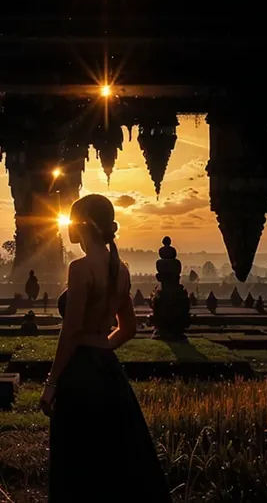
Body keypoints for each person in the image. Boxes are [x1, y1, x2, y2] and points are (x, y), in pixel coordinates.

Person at [40, 194, 172, 503]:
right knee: (115, 462)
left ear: (82, 224)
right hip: (109, 373)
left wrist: (51, 383)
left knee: (78, 464)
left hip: (81, 375)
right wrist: (102, 346)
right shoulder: (121, 269)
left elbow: (70, 332)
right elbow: (129, 328)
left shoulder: (81, 268)